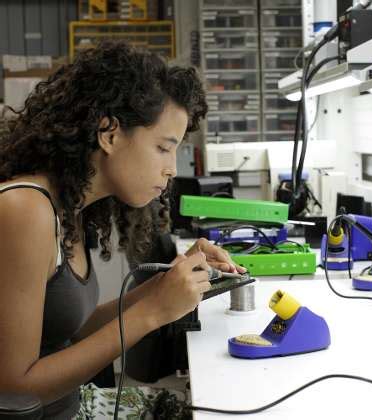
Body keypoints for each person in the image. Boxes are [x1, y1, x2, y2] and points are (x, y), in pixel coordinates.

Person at [0, 41, 246, 419]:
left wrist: (167, 286)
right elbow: (13, 390)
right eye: (164, 148)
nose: (171, 169)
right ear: (109, 134)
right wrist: (150, 313)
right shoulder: (25, 209)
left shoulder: (68, 209)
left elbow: (72, 334)